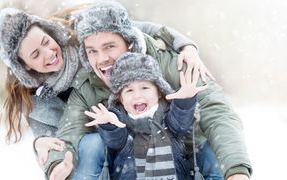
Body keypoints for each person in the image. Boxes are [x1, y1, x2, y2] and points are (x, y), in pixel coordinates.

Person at [0, 5, 210, 180]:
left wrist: (185, 46)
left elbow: (138, 29)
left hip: (137, 137)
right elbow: (61, 142)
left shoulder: (86, 40)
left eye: (46, 42)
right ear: (24, 66)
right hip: (105, 154)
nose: (49, 53)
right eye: (35, 54)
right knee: (91, 144)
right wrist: (46, 151)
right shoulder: (37, 104)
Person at [43, 1, 252, 180]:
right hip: (127, 168)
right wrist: (59, 163)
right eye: (92, 51)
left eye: (109, 47)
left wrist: (236, 169)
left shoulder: (174, 65)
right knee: (90, 144)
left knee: (212, 147)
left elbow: (217, 112)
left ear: (129, 43)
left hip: (184, 160)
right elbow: (69, 131)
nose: (102, 59)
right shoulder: (88, 86)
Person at [84, 52, 223, 179]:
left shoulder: (168, 118)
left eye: (145, 88)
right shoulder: (121, 123)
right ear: (120, 98)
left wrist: (185, 101)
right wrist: (110, 125)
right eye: (129, 90)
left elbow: (181, 123)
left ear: (159, 92)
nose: (137, 95)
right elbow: (116, 141)